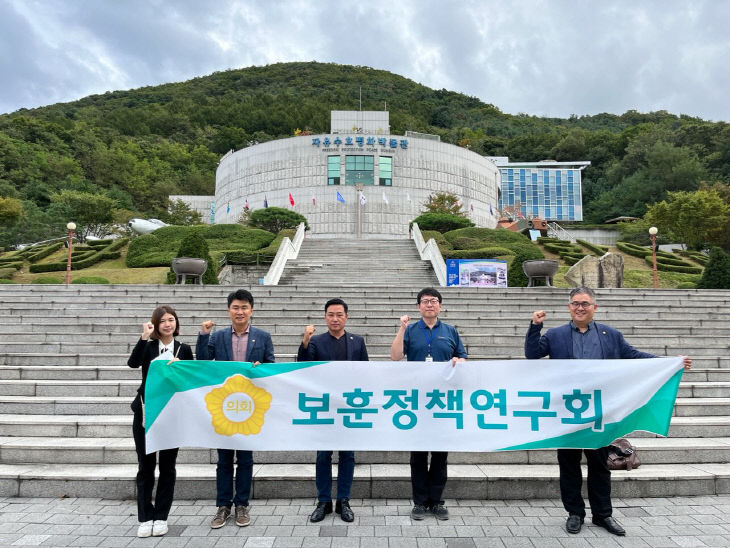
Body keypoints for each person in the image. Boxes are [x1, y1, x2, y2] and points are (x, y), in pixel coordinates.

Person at [525, 286, 692, 537]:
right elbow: (532, 354)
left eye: (585, 303)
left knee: (600, 465)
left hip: (600, 413)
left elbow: (633, 356)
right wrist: (534, 326)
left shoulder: (610, 335)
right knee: (568, 464)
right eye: (575, 303)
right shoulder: (556, 334)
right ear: (569, 307)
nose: (580, 308)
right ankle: (575, 514)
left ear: (594, 307)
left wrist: (669, 363)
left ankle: (603, 515)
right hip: (568, 413)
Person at [196, 289, 275, 529]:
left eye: (244, 307)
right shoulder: (217, 337)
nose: (240, 312)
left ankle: (242, 504)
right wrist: (203, 335)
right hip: (225, 406)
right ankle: (223, 506)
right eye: (235, 307)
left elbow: (271, 366)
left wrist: (261, 367)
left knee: (246, 459)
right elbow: (202, 362)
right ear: (229, 310)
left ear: (251, 310)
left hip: (249, 407)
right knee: (223, 460)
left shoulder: (262, 336)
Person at [389, 287, 467, 521]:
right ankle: (420, 502)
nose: (430, 304)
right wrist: (401, 329)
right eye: (425, 301)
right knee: (419, 455)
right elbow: (395, 356)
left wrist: (457, 360)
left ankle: (437, 501)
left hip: (443, 401)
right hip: (418, 401)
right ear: (418, 306)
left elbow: (463, 356)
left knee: (441, 454)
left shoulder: (450, 331)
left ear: (440, 306)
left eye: (434, 301)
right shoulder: (411, 330)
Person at [297, 298, 369, 523]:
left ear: (346, 316)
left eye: (339, 314)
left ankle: (344, 501)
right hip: (324, 407)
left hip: (349, 407)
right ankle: (324, 501)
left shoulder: (357, 341)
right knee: (323, 455)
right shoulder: (316, 341)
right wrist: (305, 341)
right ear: (325, 317)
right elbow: (303, 366)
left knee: (347, 455)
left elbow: (365, 371)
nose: (335, 318)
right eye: (330, 314)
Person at [127, 305, 194, 538]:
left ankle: (161, 517)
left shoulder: (184, 349)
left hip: (171, 415)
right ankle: (145, 517)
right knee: (145, 467)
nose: (168, 324)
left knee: (167, 467)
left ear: (176, 323)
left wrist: (179, 371)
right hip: (146, 414)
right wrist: (143, 337)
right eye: (163, 321)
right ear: (156, 324)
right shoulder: (149, 346)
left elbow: (189, 382)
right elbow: (133, 363)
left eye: (171, 320)